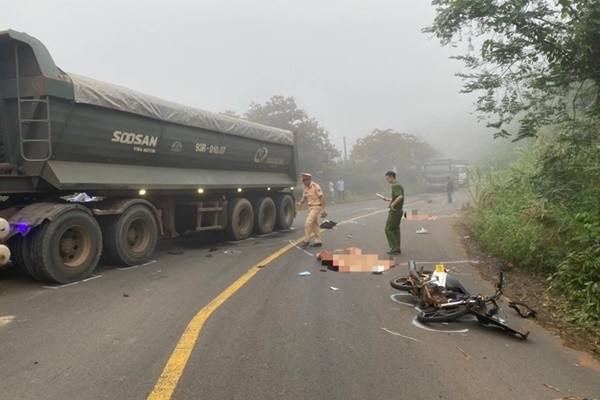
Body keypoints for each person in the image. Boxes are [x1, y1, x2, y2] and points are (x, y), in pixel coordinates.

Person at [296, 172, 326, 247]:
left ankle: (306, 240)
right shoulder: (305, 187)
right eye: (303, 181)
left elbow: (322, 198)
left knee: (308, 222)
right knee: (314, 224)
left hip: (316, 207)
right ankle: (318, 241)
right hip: (310, 207)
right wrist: (300, 203)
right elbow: (304, 197)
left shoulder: (316, 186)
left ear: (309, 180)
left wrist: (323, 209)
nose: (304, 182)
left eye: (305, 181)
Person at [381, 170, 404, 255]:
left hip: (395, 211)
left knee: (388, 228)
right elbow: (398, 197)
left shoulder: (396, 186)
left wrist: (392, 204)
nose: (387, 180)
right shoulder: (399, 186)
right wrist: (389, 200)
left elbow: (400, 196)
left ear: (391, 177)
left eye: (387, 178)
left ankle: (395, 247)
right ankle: (397, 247)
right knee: (395, 229)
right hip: (399, 210)